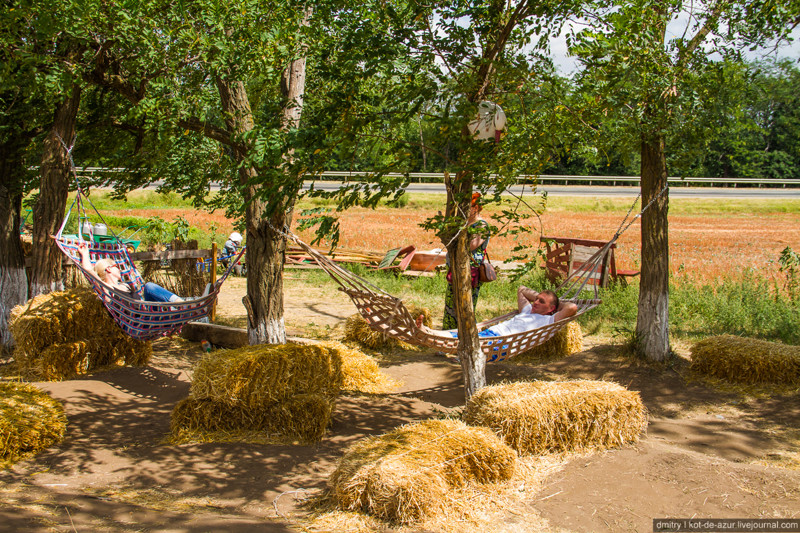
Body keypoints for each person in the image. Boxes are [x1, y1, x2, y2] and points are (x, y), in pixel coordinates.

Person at [418, 286, 578, 338]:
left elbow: (572, 308)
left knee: (463, 339)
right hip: (491, 334)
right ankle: (427, 332)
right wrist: (541, 297)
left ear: (551, 309)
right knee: (463, 336)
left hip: (500, 343)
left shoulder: (549, 321)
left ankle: (427, 332)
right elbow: (522, 290)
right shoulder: (528, 310)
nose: (535, 302)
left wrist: (556, 303)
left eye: (541, 302)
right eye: (536, 299)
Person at [442, 192, 491, 329]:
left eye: (467, 207)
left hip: (470, 273)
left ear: (475, 208)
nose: (462, 211)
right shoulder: (463, 223)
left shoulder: (482, 225)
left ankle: (466, 338)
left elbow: (470, 246)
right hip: (455, 269)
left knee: (466, 307)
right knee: (451, 305)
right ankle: (448, 337)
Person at [78, 242, 182, 303]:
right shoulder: (107, 289)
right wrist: (85, 253)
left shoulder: (125, 285)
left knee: (149, 287)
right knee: (150, 286)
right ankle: (181, 305)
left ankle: (181, 304)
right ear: (109, 269)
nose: (120, 269)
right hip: (139, 322)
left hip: (149, 315)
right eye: (116, 266)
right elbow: (88, 270)